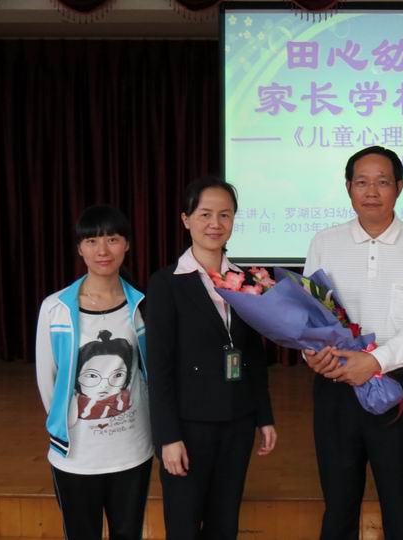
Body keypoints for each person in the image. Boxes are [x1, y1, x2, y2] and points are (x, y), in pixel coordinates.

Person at [303, 146, 403, 540]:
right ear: (348, 187)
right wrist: (312, 354)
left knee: (401, 510)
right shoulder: (325, 242)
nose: (371, 191)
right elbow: (310, 315)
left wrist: (375, 362)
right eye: (362, 182)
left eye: (382, 182)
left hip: (399, 389)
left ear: (399, 187)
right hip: (336, 387)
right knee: (338, 509)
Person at [146, 177, 276, 539]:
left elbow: (254, 357)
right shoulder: (166, 283)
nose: (215, 224)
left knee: (225, 524)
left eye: (225, 214)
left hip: (237, 420)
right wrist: (168, 437)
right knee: (184, 526)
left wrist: (264, 416)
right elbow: (159, 367)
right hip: (189, 427)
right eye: (205, 214)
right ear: (186, 219)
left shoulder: (246, 280)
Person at [35, 205, 152, 540]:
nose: (103, 250)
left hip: (132, 451)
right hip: (76, 455)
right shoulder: (55, 308)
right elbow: (47, 380)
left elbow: (149, 373)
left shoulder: (142, 305)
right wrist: (68, 420)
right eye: (92, 241)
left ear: (127, 244)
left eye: (112, 239)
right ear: (79, 248)